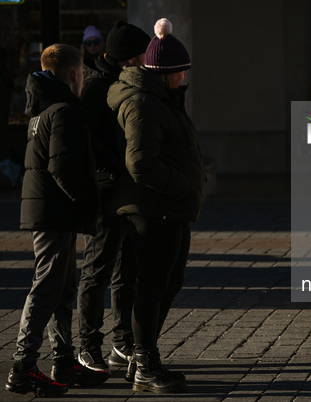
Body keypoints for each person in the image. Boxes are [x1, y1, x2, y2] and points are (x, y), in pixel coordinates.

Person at [107, 18, 205, 393]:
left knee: (168, 283)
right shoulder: (144, 104)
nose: (184, 76)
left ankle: (142, 358)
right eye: (181, 70)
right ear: (166, 72)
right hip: (154, 209)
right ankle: (144, 361)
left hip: (170, 208)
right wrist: (182, 186)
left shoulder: (162, 98)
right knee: (152, 286)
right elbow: (140, 163)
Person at [5, 43, 106, 397]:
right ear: (76, 74)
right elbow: (63, 168)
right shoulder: (65, 110)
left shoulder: (41, 110)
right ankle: (23, 367)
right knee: (47, 286)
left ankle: (63, 361)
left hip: (47, 209)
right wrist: (90, 202)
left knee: (61, 288)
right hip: (54, 211)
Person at [76, 21, 151, 375]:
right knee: (98, 268)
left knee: (128, 270)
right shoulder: (96, 88)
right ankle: (88, 344)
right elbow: (89, 143)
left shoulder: (128, 81)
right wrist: (117, 166)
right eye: (141, 56)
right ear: (129, 58)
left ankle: (122, 343)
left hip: (127, 188)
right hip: (106, 189)